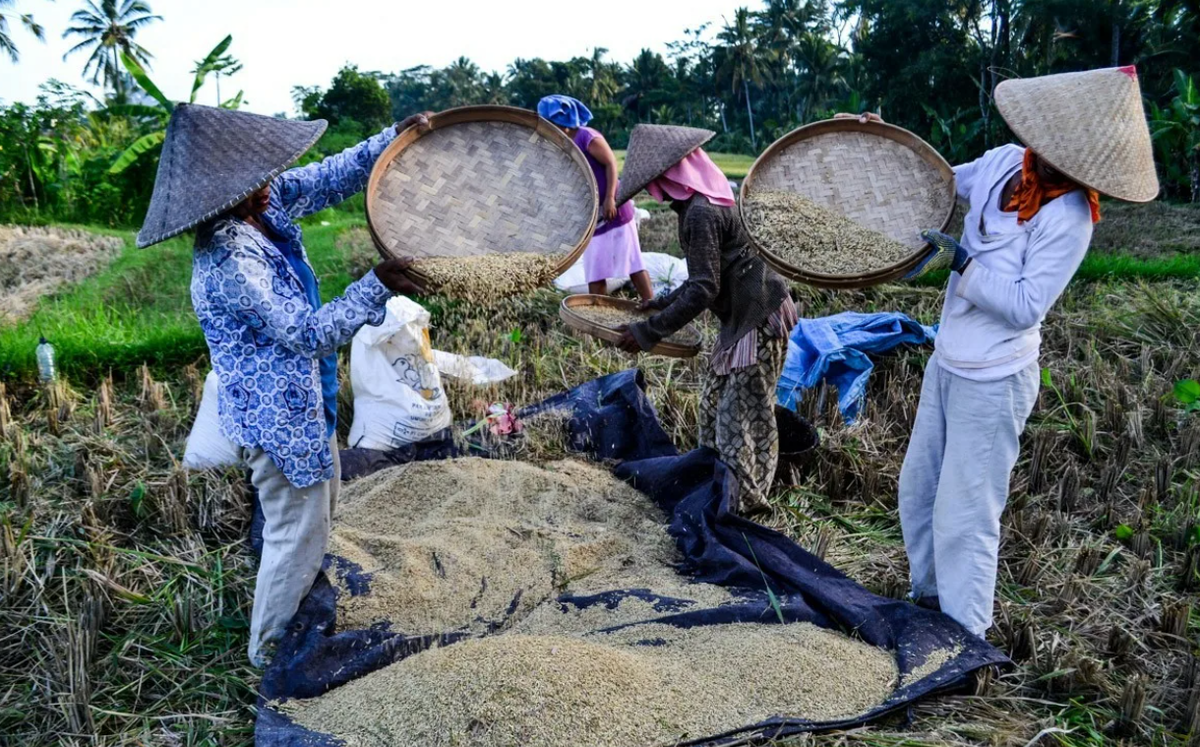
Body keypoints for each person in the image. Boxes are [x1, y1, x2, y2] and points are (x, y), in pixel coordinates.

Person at [863, 66, 1158, 638]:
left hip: (995, 377)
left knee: (965, 515)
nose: (1045, 159)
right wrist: (885, 145)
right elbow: (944, 183)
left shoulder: (1069, 216)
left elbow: (1025, 305)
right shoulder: (1003, 161)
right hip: (948, 358)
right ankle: (928, 600)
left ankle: (964, 637)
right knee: (918, 488)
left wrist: (963, 264)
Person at [136, 103, 431, 666]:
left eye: (265, 179)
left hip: (303, 405)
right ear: (221, 199)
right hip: (278, 423)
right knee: (293, 535)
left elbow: (327, 177)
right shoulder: (229, 257)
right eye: (254, 186)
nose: (269, 189)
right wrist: (375, 284)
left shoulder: (259, 206)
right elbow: (305, 332)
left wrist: (392, 138)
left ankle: (300, 622)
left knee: (312, 521)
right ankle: (270, 655)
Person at [612, 124, 797, 514]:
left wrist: (647, 332)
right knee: (714, 406)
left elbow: (703, 290)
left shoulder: (700, 212)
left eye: (656, 182)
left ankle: (744, 508)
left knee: (740, 417)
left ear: (672, 176)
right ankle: (716, 491)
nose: (654, 191)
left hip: (757, 318)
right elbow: (704, 279)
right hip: (741, 318)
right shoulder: (706, 200)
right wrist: (660, 303)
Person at [537, 94, 654, 301]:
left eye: (552, 124)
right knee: (596, 272)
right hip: (593, 216)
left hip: (614, 208)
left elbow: (611, 163)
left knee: (634, 264)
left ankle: (651, 308)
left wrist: (609, 198)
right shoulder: (562, 143)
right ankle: (599, 320)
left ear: (563, 122)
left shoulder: (587, 137)